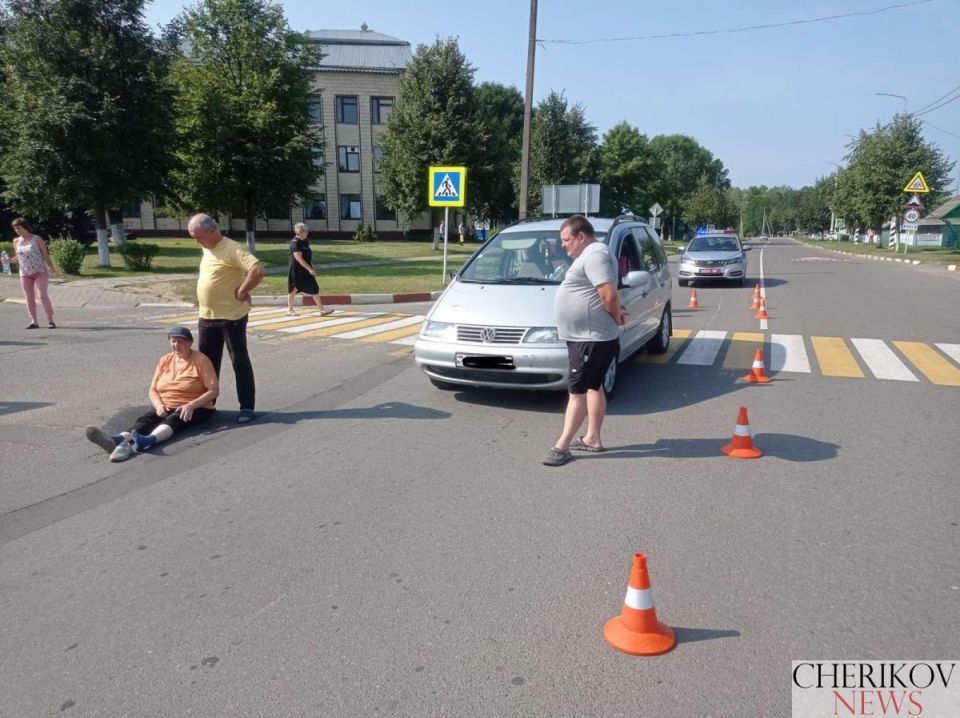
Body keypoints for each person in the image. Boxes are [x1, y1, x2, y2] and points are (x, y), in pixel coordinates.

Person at [543, 216, 626, 467]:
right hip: (589, 337)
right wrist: (615, 314)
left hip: (590, 339)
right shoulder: (589, 255)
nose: (564, 246)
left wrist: (616, 316)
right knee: (593, 386)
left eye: (566, 240)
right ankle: (592, 438)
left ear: (581, 236)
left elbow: (608, 294)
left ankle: (562, 446)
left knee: (576, 391)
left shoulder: (594, 254)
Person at [85, 326, 219, 462]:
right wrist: (159, 405)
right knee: (147, 419)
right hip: (167, 404)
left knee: (174, 418)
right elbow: (153, 389)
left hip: (197, 407)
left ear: (190, 343)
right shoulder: (165, 360)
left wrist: (191, 405)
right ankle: (117, 439)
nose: (176, 345)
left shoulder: (201, 360)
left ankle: (149, 440)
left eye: (180, 341)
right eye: (173, 341)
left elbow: (214, 391)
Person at [187, 213, 265, 424]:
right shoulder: (207, 247)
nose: (196, 241)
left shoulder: (232, 248)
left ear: (212, 231)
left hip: (231, 317)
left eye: (198, 236)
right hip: (207, 317)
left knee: (239, 361)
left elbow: (257, 270)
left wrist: (242, 290)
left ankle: (247, 407)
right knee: (208, 365)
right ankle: (207, 406)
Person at [9, 218, 56, 329]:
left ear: (25, 227)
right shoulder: (16, 241)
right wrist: (8, 260)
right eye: (15, 229)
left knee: (42, 296)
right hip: (25, 273)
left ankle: (50, 320)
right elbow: (18, 257)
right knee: (29, 297)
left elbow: (45, 255)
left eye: (19, 228)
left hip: (40, 271)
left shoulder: (37, 239)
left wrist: (53, 269)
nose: (17, 230)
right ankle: (34, 321)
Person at [287, 222, 334, 317]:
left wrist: (311, 267)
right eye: (305, 232)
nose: (307, 233)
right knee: (294, 288)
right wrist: (309, 269)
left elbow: (307, 256)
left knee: (314, 287)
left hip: (306, 268)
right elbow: (299, 259)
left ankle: (322, 310)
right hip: (297, 270)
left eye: (307, 231)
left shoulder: (305, 241)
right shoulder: (295, 243)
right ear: (299, 232)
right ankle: (289, 310)